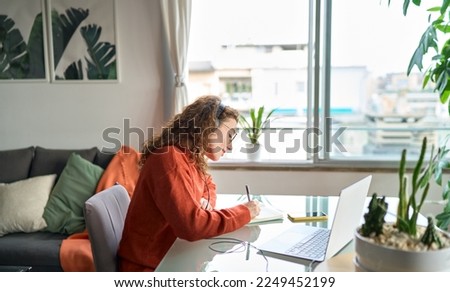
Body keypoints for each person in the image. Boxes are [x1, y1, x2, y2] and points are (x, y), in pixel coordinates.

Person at [118, 95, 261, 272]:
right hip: (149, 268)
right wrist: (244, 212)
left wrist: (205, 202)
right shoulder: (170, 158)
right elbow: (192, 227)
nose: (230, 146)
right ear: (210, 127)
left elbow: (209, 186)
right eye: (229, 135)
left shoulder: (189, 156)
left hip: (170, 256)